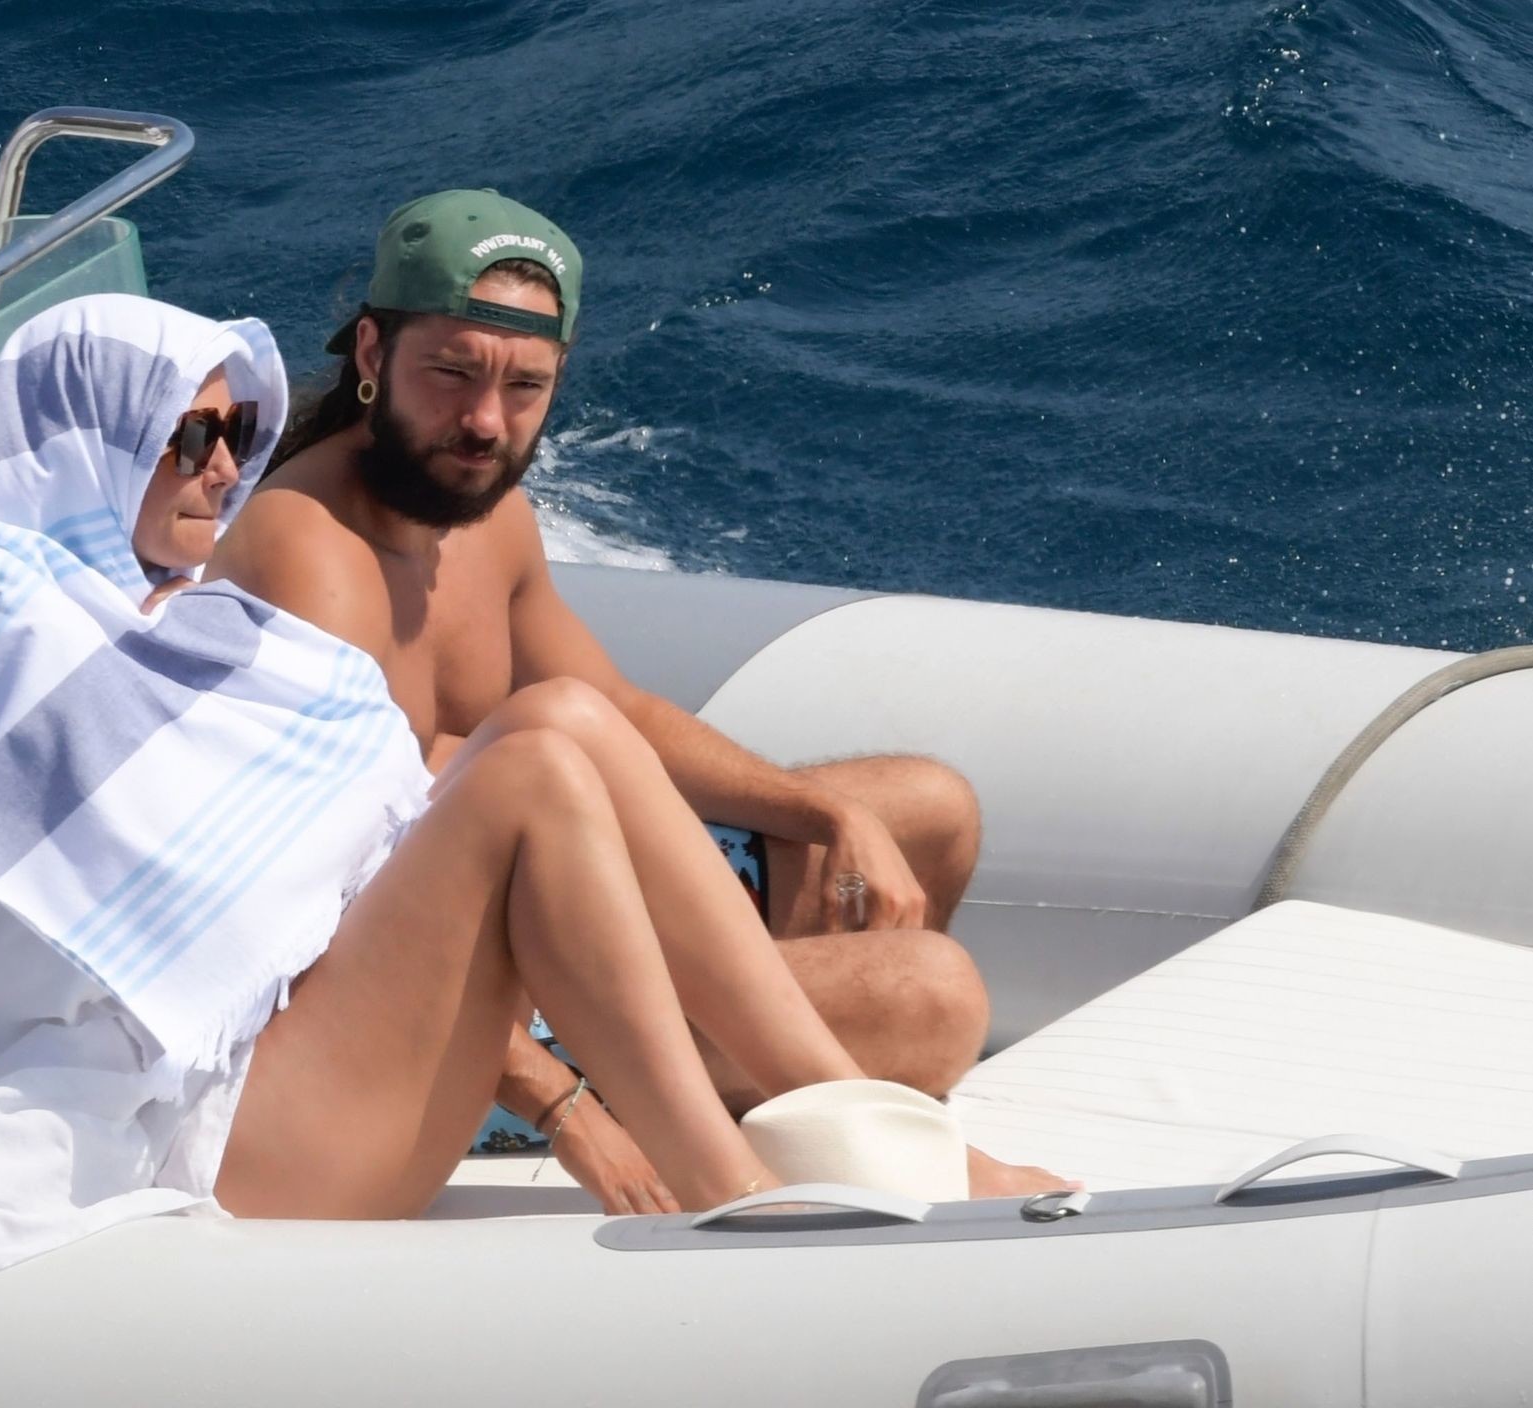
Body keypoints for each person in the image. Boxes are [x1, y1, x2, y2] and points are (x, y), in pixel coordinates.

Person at [0, 293, 994, 1270]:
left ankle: (856, 1130)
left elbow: (326, 817)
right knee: (540, 763)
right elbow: (26, 960)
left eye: (234, 431)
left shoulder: (140, 615)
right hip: (216, 1137)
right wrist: (558, 1100)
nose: (227, 468)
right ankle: (728, 1187)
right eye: (190, 438)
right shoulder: (27, 659)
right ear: (87, 445)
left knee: (563, 722)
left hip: (291, 1067)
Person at [207, 191, 1062, 1202]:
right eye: (452, 373)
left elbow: (612, 702)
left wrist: (824, 813)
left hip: (569, 882)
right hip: (473, 994)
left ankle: (783, 1085)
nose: (485, 422)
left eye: (524, 385)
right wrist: (562, 1102)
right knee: (934, 997)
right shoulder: (306, 550)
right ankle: (815, 1110)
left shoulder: (488, 515)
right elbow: (333, 891)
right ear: (371, 353)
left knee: (926, 811)